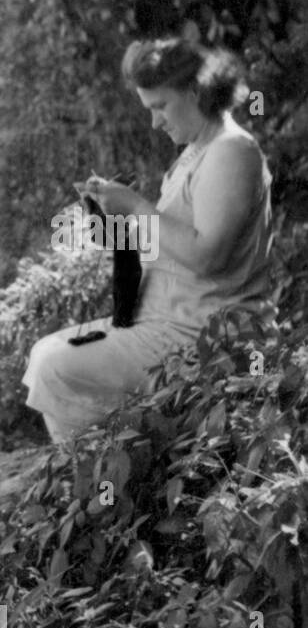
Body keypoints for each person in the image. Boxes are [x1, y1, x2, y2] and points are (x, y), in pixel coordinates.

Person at [23, 36, 274, 444]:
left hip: (205, 335)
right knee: (47, 354)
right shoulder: (198, 150)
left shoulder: (231, 151)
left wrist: (138, 208)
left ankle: (100, 478)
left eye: (160, 106)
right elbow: (172, 249)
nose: (156, 122)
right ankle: (104, 473)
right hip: (166, 324)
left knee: (55, 362)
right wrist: (114, 219)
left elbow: (209, 257)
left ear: (196, 92)